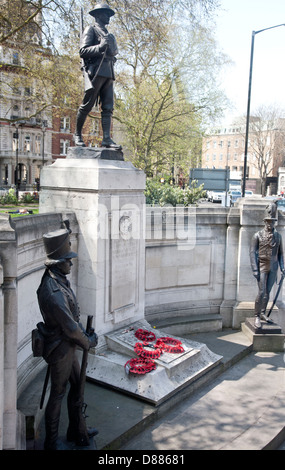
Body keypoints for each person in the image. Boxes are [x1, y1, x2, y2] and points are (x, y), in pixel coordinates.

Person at [37, 226, 98, 450]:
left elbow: (73, 317)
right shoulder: (53, 291)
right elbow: (70, 327)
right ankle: (51, 443)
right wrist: (87, 341)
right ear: (58, 262)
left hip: (67, 344)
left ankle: (77, 430)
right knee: (58, 393)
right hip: (60, 348)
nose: (71, 263)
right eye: (68, 260)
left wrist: (85, 332)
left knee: (77, 386)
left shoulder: (59, 279)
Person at [75, 3, 121, 149]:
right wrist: (100, 47)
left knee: (108, 107)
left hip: (108, 73)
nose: (108, 16)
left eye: (109, 14)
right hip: (96, 72)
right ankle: (77, 134)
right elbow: (83, 51)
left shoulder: (109, 34)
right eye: (105, 13)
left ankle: (106, 138)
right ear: (97, 15)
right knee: (87, 105)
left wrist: (111, 49)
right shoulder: (91, 30)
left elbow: (114, 53)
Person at [250, 201, 285, 328]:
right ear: (265, 222)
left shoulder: (278, 236)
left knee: (268, 292)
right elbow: (252, 252)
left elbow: (281, 254)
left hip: (273, 267)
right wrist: (255, 269)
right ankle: (257, 316)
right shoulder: (257, 235)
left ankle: (263, 313)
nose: (271, 224)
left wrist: (282, 267)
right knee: (261, 291)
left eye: (273, 222)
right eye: (269, 222)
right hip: (262, 266)